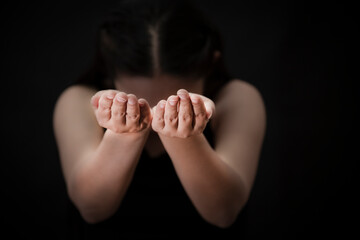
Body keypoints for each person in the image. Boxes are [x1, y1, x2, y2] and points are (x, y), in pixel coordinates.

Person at [53, 0, 266, 238]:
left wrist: (182, 135)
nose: (154, 113)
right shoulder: (79, 100)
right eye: (140, 100)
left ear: (209, 66)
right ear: (111, 73)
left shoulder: (237, 98)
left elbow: (224, 213)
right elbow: (91, 209)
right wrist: (124, 133)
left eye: (172, 99)